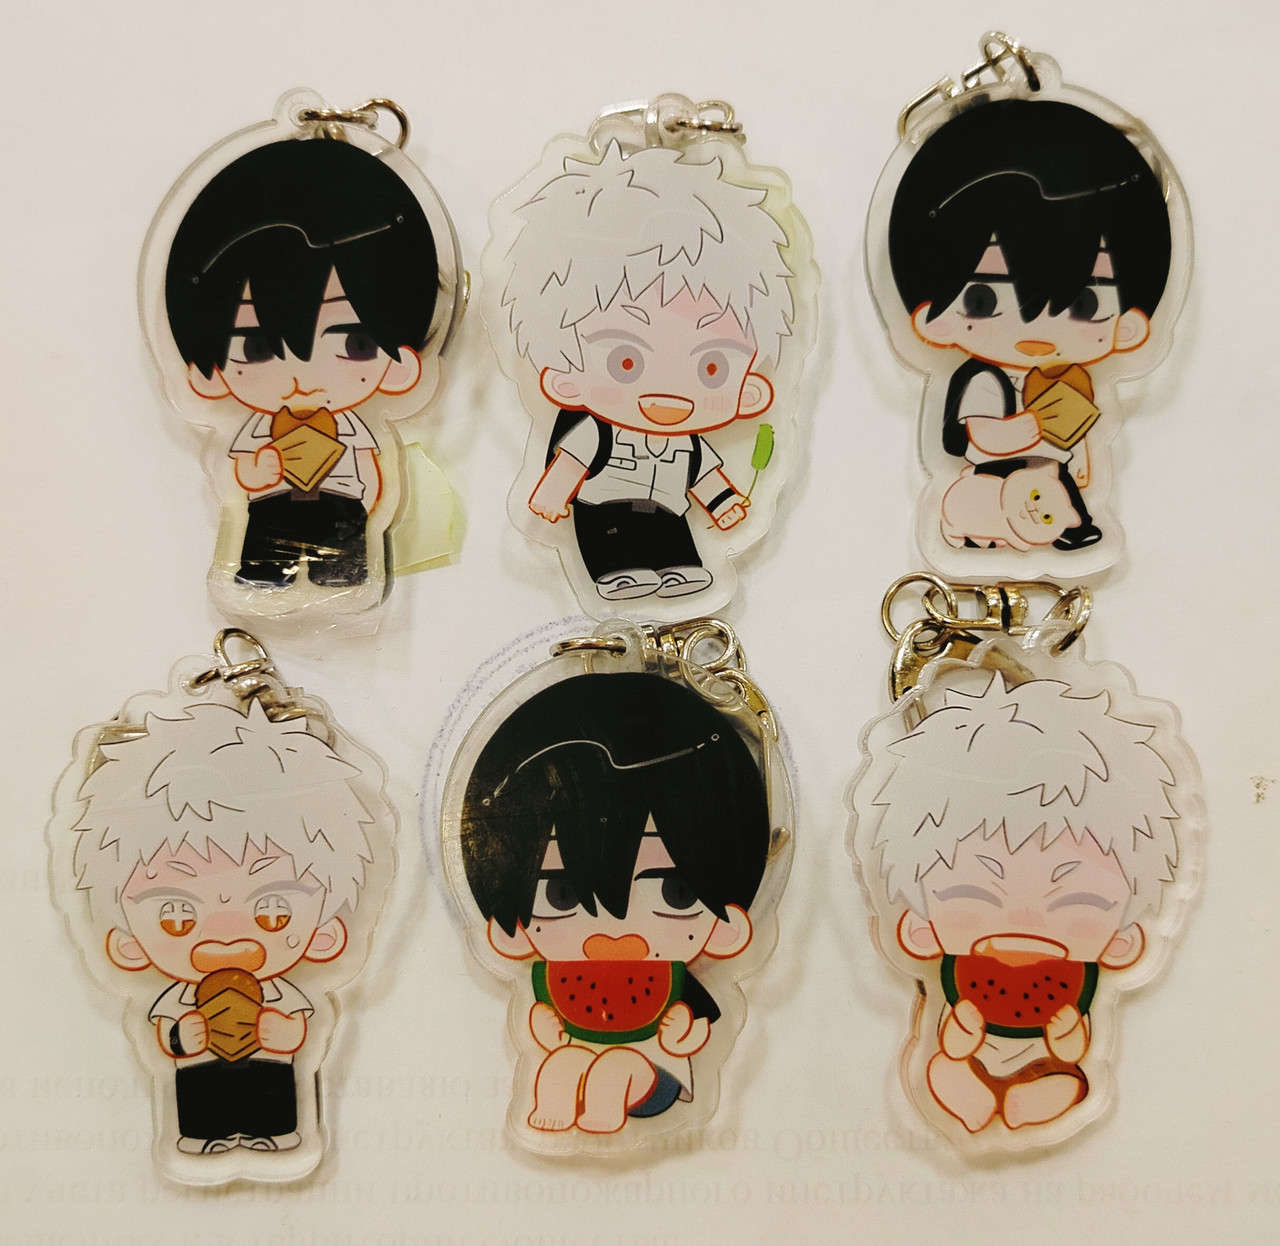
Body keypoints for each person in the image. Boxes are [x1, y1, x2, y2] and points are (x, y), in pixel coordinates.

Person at [863, 674, 1182, 1134]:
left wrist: (1066, 1034)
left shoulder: (1078, 985)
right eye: (979, 891)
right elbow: (952, 1039)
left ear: (1123, 941)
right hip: (968, 1054)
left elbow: (1072, 1049)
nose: (1025, 918)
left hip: (1045, 1060)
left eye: (1075, 897)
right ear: (919, 929)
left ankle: (1036, 1093)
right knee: (950, 1066)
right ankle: (964, 1088)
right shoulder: (956, 977)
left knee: (1063, 1076)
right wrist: (963, 1032)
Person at [459, 673, 770, 1133]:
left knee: (614, 1069)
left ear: (729, 924)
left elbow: (694, 1027)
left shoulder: (678, 982)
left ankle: (603, 1113)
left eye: (675, 892)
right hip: (580, 1054)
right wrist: (546, 1027)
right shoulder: (549, 978)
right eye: (562, 894)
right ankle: (558, 1109)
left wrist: (683, 1031)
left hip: (658, 1077)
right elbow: (549, 1019)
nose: (613, 935)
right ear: (512, 927)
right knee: (561, 1066)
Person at [494, 142, 796, 600]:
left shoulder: (688, 442)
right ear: (565, 378)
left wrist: (724, 504)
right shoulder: (598, 430)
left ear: (749, 389)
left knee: (675, 540)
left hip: (669, 511)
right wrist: (552, 496)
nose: (669, 394)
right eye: (626, 361)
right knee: (613, 543)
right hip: (604, 509)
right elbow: (571, 462)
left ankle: (679, 567)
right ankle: (617, 572)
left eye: (712, 366)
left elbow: (704, 476)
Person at [70, 700, 374, 1154]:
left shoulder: (280, 992)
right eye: (175, 915)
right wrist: (184, 1038)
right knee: (200, 1097)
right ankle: (203, 1134)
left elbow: (296, 1026)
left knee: (272, 1093)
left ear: (324, 934)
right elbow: (169, 1035)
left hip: (270, 1063)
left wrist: (283, 1035)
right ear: (128, 945)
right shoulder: (178, 998)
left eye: (273, 910)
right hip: (199, 1067)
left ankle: (273, 1130)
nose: (227, 936)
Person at [886, 98, 1174, 550]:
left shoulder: (1072, 381)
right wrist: (1034, 427)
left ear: (1128, 327)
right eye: (982, 300)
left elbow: (1077, 441)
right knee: (1007, 500)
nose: (1036, 327)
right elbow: (981, 435)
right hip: (996, 476)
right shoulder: (985, 380)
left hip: (1046, 476)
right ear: (933, 322)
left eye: (1084, 304)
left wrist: (1070, 450)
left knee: (1057, 488)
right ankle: (988, 530)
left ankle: (1072, 525)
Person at [164, 138, 442, 587]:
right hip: (272, 501)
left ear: (401, 364)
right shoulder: (258, 428)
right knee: (263, 564)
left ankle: (340, 576)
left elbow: (367, 463)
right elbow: (241, 468)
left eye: (354, 343)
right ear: (208, 372)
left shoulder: (350, 426)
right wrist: (258, 471)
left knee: (345, 570)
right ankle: (264, 577)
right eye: (256, 348)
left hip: (342, 504)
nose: (300, 379)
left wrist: (371, 497)